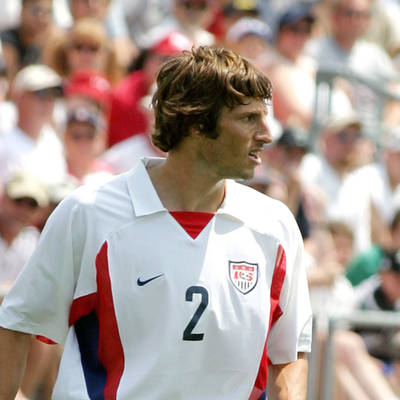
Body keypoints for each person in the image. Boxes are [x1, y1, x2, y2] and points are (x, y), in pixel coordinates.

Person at [0, 45, 312, 399]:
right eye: (247, 118)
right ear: (197, 123)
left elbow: (289, 356)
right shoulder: (87, 213)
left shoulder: (275, 226)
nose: (267, 134)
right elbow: (16, 325)